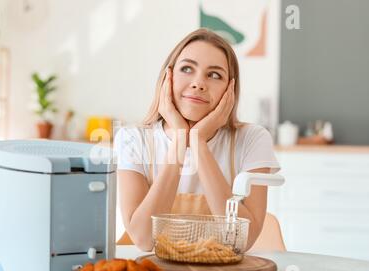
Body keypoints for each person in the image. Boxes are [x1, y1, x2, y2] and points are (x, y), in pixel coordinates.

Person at [114, 28, 280, 251]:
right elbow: (144, 240)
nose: (198, 83)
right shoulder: (133, 139)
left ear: (230, 90)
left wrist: (199, 143)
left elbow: (242, 241)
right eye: (187, 69)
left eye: (214, 75)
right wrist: (181, 140)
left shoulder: (253, 139)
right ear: (167, 78)